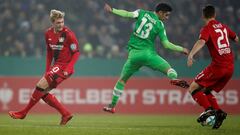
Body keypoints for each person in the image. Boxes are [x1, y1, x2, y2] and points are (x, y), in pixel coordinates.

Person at [103, 3, 189, 113]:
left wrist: (112, 10)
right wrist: (182, 49)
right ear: (160, 12)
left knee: (122, 81)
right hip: (148, 55)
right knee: (169, 69)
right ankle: (173, 78)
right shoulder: (159, 24)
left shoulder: (141, 12)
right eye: (166, 15)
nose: (167, 18)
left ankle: (112, 106)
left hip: (133, 56)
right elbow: (166, 45)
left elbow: (127, 14)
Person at [8, 9, 80, 125]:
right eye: (58, 22)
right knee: (42, 93)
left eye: (62, 22)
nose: (61, 24)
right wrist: (47, 70)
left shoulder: (69, 34)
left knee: (40, 86)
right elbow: (49, 52)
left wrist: (68, 68)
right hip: (56, 67)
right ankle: (65, 114)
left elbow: (76, 53)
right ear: (53, 23)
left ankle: (23, 113)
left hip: (64, 67)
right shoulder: (48, 33)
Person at [187, 5, 239, 129]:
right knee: (206, 91)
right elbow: (236, 38)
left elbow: (201, 41)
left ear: (203, 16)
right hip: (230, 68)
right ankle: (218, 113)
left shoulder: (207, 28)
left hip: (218, 67)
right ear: (214, 15)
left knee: (193, 88)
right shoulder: (224, 27)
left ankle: (209, 110)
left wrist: (191, 54)